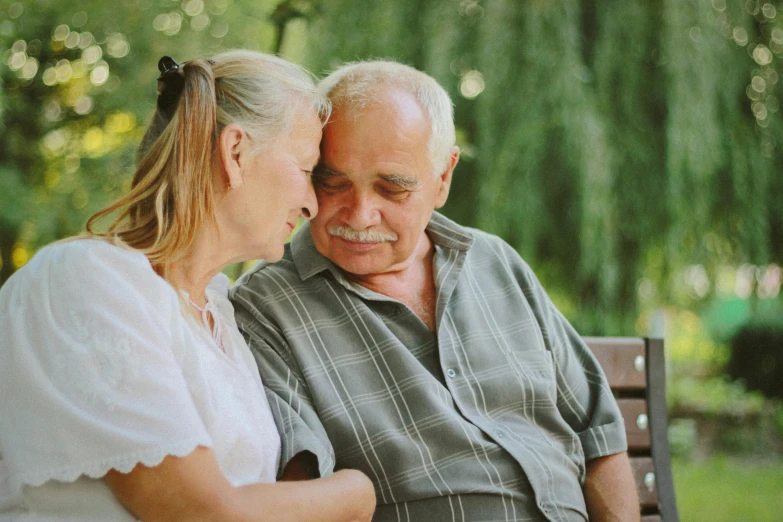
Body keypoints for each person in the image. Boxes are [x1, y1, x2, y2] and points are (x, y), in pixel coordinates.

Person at [230, 60, 639, 521]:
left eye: (392, 189)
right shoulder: (266, 307)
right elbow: (299, 491)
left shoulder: (495, 262)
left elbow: (598, 436)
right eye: (332, 183)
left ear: (443, 177)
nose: (360, 214)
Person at [0, 51, 375, 522]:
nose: (311, 205)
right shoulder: (87, 280)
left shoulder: (218, 312)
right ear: (235, 153)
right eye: (305, 171)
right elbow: (204, 514)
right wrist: (358, 493)